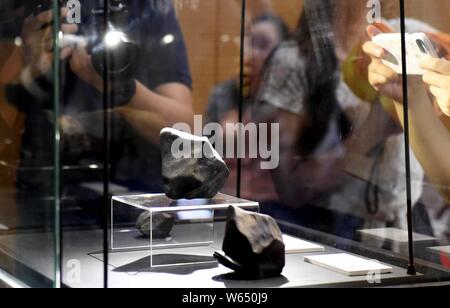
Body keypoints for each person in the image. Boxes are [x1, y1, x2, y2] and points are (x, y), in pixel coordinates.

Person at [2, 0, 194, 226]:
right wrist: (31, 64)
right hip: (51, 202)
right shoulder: (34, 11)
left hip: (139, 203)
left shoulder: (146, 6)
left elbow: (184, 130)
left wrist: (119, 86)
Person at [252, 0, 426, 240]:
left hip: (403, 228)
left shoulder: (404, 36)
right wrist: (371, 130)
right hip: (330, 231)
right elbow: (292, 189)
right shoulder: (295, 60)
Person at [205, 13, 289, 203]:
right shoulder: (224, 93)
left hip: (275, 207)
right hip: (224, 199)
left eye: (263, 45)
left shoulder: (290, 100)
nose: (253, 53)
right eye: (250, 43)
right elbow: (205, 158)